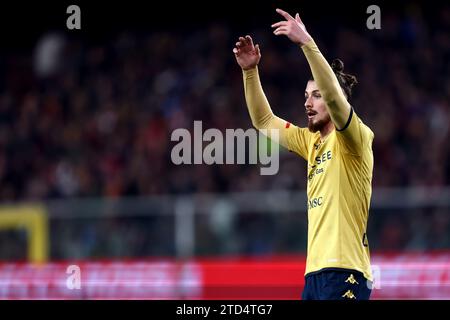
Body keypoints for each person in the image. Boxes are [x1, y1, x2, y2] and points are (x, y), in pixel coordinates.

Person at [233, 8, 375, 300]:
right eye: (306, 96)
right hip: (314, 276)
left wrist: (307, 44)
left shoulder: (355, 138)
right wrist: (250, 72)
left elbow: (335, 98)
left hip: (346, 271)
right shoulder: (310, 141)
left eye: (317, 95)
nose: (308, 102)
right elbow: (264, 121)